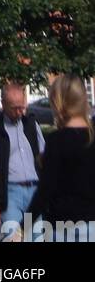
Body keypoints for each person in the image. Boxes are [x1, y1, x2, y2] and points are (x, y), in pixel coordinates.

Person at [29, 75, 95, 242]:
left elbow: (45, 190)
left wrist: (24, 226)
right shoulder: (91, 137)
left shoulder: (57, 140)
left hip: (62, 226)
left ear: (57, 103)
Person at [0, 83, 44, 236]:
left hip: (35, 190)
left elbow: (44, 156)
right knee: (14, 237)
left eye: (21, 107)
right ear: (3, 104)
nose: (19, 112)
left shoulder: (31, 124)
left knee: (37, 237)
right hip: (10, 193)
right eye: (14, 108)